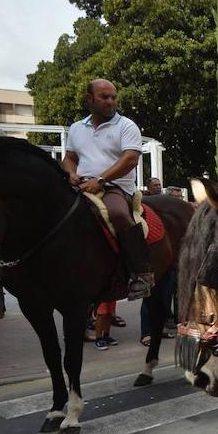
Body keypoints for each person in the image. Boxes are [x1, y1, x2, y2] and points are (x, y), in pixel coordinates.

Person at [62, 79, 153, 299]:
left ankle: (141, 274)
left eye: (113, 97)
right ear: (89, 99)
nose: (111, 101)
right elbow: (70, 158)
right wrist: (72, 174)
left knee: (118, 213)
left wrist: (101, 180)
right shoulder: (76, 128)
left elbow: (130, 159)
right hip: (83, 185)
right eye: (104, 97)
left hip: (116, 187)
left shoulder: (126, 125)